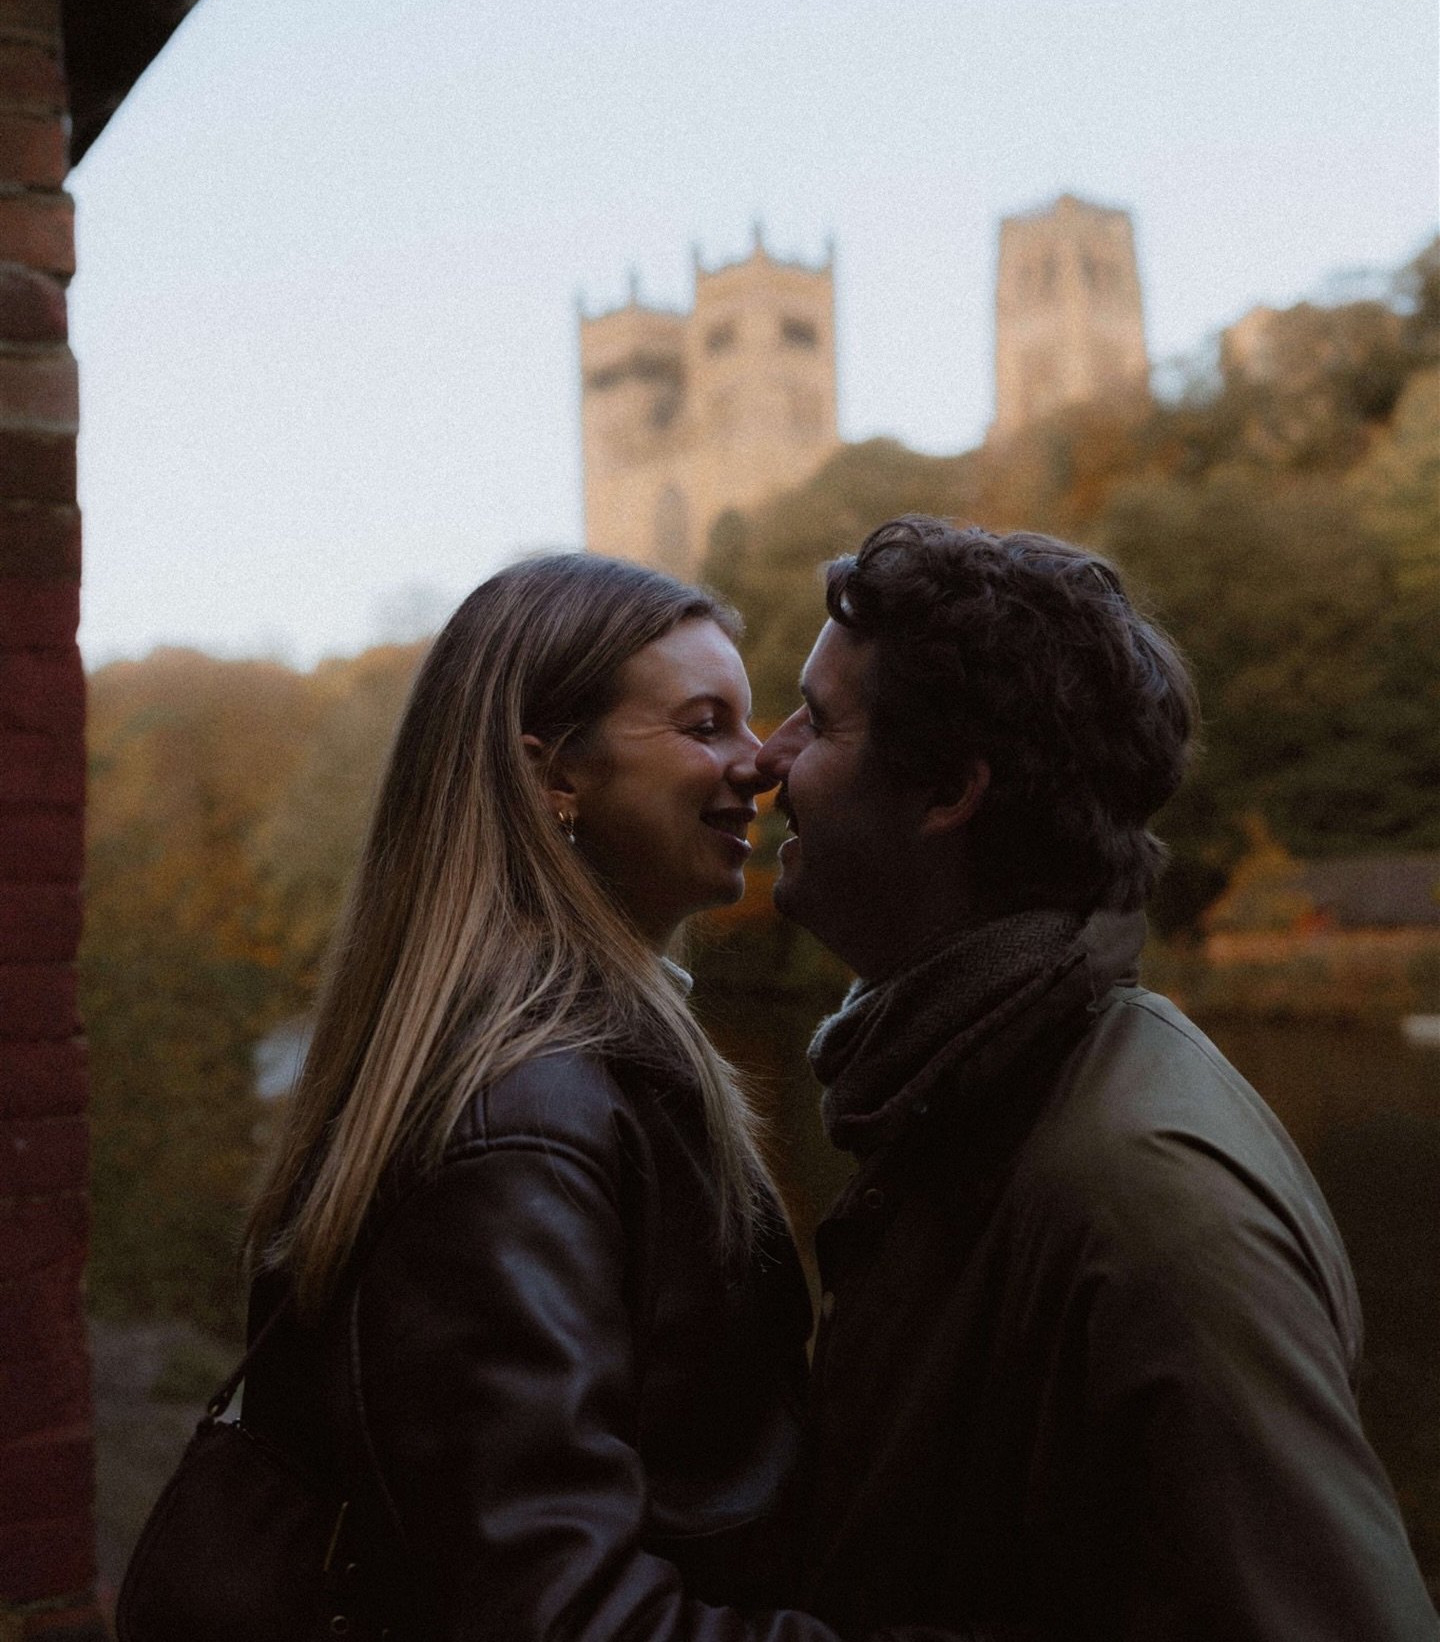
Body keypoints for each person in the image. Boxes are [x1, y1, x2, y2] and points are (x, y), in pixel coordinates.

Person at [756, 516, 1437, 1642]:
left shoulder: (1148, 1196)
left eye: (817, 721)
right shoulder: (963, 1093)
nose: (769, 757)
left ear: (948, 793)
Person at [242, 555, 826, 1641]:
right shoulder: (524, 1125)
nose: (764, 767)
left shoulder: (568, 1076)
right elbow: (558, 1616)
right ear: (551, 774)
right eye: (707, 725)